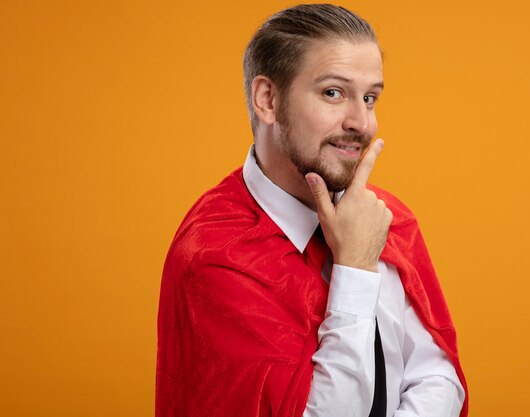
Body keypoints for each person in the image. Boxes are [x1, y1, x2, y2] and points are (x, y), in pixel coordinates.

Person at [156, 4, 468, 417]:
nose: (362, 121)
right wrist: (355, 268)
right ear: (268, 100)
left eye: (370, 97)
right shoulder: (215, 255)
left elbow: (436, 374)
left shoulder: (387, 219)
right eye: (333, 93)